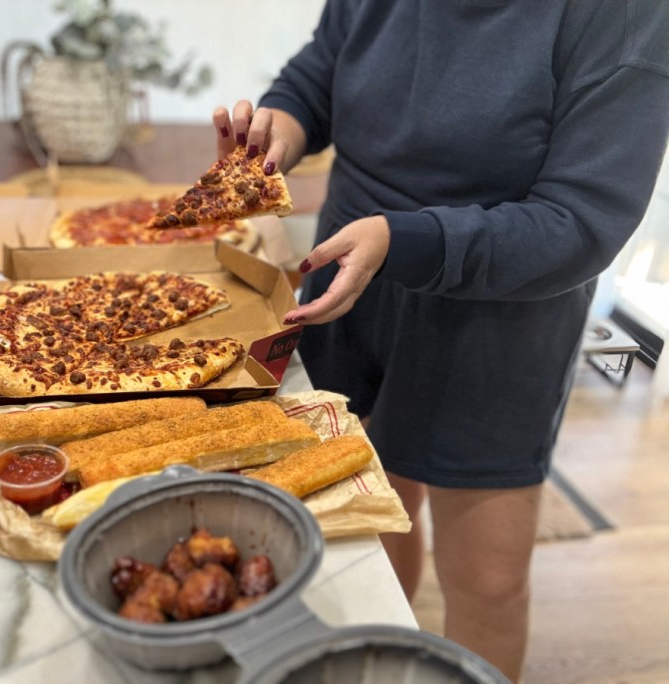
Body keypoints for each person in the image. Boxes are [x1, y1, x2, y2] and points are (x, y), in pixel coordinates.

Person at [212, 2, 669, 681]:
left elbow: (581, 220)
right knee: (374, 520)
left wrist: (407, 239)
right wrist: (283, 124)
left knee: (487, 579)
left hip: (498, 319)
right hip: (350, 284)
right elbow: (325, 65)